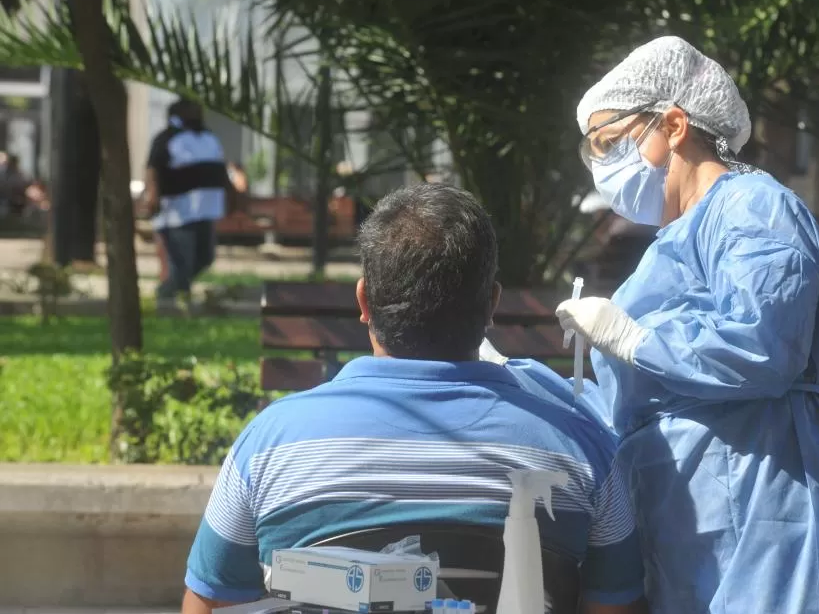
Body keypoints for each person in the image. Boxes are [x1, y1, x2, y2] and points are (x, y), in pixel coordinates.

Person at [549, 37, 819, 614]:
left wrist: (635, 339)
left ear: (673, 124)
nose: (603, 167)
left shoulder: (753, 207)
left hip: (771, 495)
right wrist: (520, 381)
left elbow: (765, 346)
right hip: (699, 508)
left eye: (610, 143)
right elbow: (639, 400)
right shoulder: (679, 235)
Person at [182, 184, 646, 614]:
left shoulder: (269, 446)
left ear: (364, 301)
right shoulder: (582, 451)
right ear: (492, 304)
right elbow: (616, 605)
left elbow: (210, 601)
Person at [144, 99, 229, 303]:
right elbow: (153, 168)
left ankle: (173, 293)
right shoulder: (166, 138)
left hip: (207, 209)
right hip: (179, 212)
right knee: (183, 262)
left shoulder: (209, 137)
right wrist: (152, 196)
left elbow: (219, 167)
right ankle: (171, 299)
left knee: (205, 258)